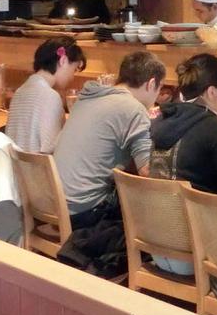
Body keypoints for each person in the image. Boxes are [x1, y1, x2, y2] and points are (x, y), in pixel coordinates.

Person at [54, 51, 165, 229]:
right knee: (155, 206)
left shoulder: (88, 97)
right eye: (159, 90)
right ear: (152, 84)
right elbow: (146, 171)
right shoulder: (134, 109)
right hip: (84, 211)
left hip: (54, 202)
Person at [149, 53, 217, 194]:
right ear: (212, 92)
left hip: (163, 212)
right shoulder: (214, 129)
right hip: (203, 214)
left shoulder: (161, 119)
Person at [6, 37, 86, 153]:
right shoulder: (50, 96)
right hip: (38, 169)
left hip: (15, 168)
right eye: (74, 69)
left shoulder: (20, 91)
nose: (72, 77)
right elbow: (50, 147)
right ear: (63, 61)